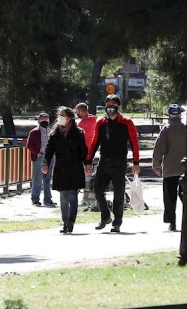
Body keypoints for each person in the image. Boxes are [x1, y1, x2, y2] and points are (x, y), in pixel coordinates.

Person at [84, 95, 141, 233]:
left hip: (120, 162)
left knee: (118, 193)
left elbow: (134, 142)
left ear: (119, 106)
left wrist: (136, 162)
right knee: (97, 189)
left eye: (113, 104)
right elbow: (95, 142)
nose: (110, 106)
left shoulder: (127, 122)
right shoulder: (101, 122)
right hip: (104, 161)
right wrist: (88, 160)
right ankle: (105, 217)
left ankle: (117, 222)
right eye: (108, 103)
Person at [152, 104, 187, 232]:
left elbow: (158, 149)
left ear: (169, 115)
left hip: (170, 169)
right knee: (186, 196)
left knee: (170, 197)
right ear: (180, 114)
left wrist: (156, 165)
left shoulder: (166, 130)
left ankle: (172, 222)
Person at [42, 106, 88, 234]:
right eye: (59, 115)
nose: (60, 118)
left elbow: (83, 151)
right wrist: (45, 164)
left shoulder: (79, 133)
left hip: (75, 168)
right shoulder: (55, 133)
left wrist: (87, 164)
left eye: (63, 115)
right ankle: (65, 222)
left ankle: (71, 222)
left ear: (70, 118)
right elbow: (48, 151)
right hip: (61, 168)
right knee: (63, 197)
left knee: (73, 196)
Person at [26, 112, 56, 207]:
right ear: (39, 120)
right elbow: (29, 145)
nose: (45, 121)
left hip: (50, 157)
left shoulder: (50, 131)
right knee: (38, 178)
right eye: (43, 119)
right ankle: (35, 199)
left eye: (47, 119)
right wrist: (37, 152)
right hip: (39, 157)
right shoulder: (34, 132)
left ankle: (47, 199)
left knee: (47, 179)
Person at [75, 102, 98, 206]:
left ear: (81, 111)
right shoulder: (94, 120)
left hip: (84, 152)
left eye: (77, 112)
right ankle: (90, 196)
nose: (77, 114)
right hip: (92, 150)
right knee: (89, 174)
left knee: (84, 175)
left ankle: (85, 197)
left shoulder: (83, 123)